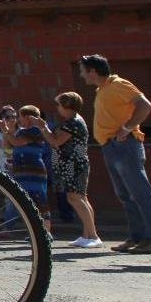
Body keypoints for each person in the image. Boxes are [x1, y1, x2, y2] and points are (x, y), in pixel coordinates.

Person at [79, 54, 151, 254]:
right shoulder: (103, 89)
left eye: (83, 70)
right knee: (126, 195)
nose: (82, 75)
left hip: (125, 145)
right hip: (111, 146)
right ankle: (137, 237)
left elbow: (145, 106)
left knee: (140, 193)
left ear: (92, 71)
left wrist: (127, 128)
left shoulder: (119, 84)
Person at [32, 92, 101, 248]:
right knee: (80, 198)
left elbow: (55, 141)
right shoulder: (74, 121)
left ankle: (93, 236)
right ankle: (87, 235)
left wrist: (43, 128)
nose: (57, 108)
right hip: (74, 164)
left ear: (67, 106)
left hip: (74, 164)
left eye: (59, 105)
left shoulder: (72, 123)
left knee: (76, 198)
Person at [2, 105, 53, 232]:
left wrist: (5, 130)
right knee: (27, 203)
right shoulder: (21, 131)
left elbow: (16, 142)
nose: (19, 119)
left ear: (29, 117)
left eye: (20, 116)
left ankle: (45, 232)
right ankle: (35, 232)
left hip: (34, 172)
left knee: (39, 201)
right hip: (22, 172)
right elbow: (13, 148)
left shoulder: (35, 131)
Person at [0, 105, 20, 228]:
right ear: (1, 118)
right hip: (5, 167)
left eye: (14, 116)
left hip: (21, 168)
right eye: (8, 117)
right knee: (9, 198)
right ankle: (9, 226)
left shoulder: (20, 131)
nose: (12, 119)